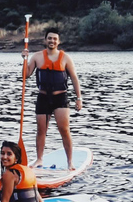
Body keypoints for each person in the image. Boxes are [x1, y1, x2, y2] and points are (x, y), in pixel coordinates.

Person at [21, 27, 82, 170]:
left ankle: (70, 162)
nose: (52, 41)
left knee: (64, 129)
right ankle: (39, 159)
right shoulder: (37, 56)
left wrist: (79, 98)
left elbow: (74, 78)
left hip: (60, 98)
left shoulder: (66, 58)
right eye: (49, 38)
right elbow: (26, 75)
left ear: (58, 41)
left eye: (54, 39)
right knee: (41, 130)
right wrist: (24, 59)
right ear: (45, 40)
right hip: (43, 97)